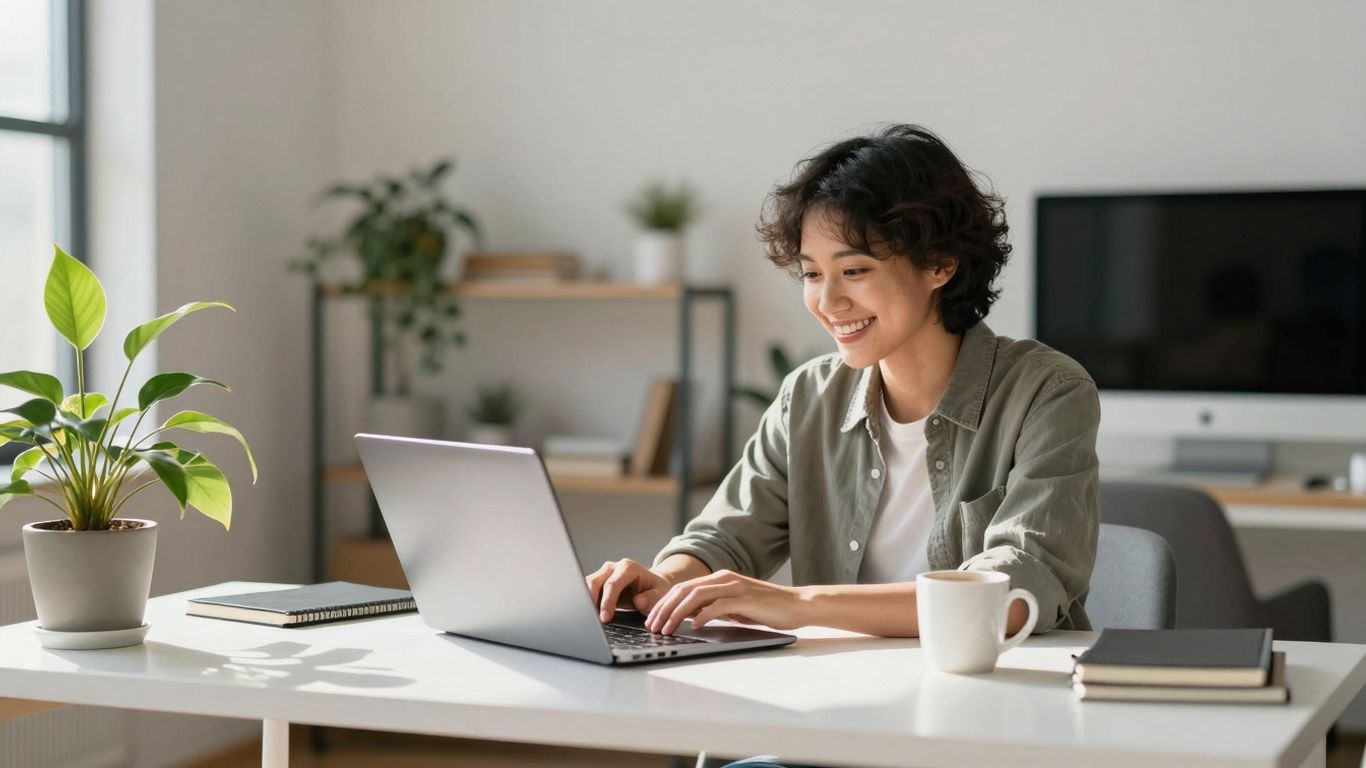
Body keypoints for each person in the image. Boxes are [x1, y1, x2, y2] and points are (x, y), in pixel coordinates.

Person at [586, 123, 1099, 655]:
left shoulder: (1047, 391)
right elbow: (726, 539)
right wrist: (667, 580)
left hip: (997, 703)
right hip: (838, 703)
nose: (828, 302)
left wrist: (799, 605)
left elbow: (1017, 591)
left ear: (941, 265)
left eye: (854, 270)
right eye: (811, 274)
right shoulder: (808, 396)